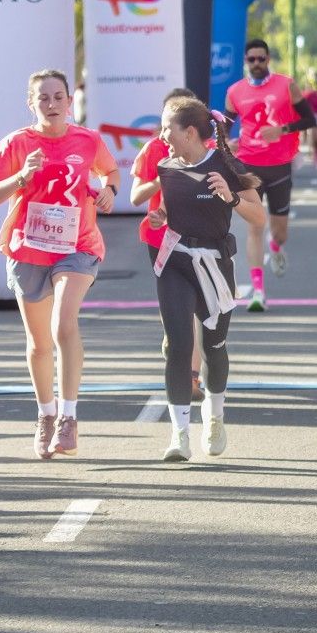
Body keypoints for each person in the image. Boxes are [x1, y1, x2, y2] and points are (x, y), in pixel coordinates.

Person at [0, 69, 117, 459]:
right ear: (31, 103)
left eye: (59, 97)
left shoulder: (88, 140)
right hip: (29, 248)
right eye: (44, 98)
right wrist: (22, 177)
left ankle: (69, 417)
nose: (52, 104)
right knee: (39, 344)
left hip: (78, 245)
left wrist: (109, 190)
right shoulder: (16, 143)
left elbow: (110, 171)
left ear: (70, 102)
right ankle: (46, 414)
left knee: (63, 324)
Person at [146, 99, 264, 461]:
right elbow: (172, 210)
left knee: (214, 347)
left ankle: (214, 418)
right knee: (179, 346)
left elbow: (259, 217)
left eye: (167, 128)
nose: (161, 135)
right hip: (176, 262)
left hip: (215, 265)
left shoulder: (225, 165)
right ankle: (179, 434)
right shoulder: (166, 167)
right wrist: (161, 215)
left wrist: (231, 199)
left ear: (189, 133)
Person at [223, 39, 317, 312]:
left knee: (279, 233)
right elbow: (224, 128)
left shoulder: (286, 85)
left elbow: (310, 120)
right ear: (246, 61)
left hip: (279, 166)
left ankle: (275, 248)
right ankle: (258, 292)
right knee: (254, 227)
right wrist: (227, 143)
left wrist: (282, 130)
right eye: (251, 59)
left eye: (261, 59)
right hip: (248, 165)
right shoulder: (235, 91)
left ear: (268, 59)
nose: (256, 63)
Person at [131, 87, 207, 401]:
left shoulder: (207, 148)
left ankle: (192, 379)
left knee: (198, 309)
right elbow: (136, 197)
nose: (166, 131)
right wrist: (164, 176)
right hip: (161, 240)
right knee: (179, 311)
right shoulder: (154, 149)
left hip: (200, 238)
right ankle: (173, 336)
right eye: (164, 123)